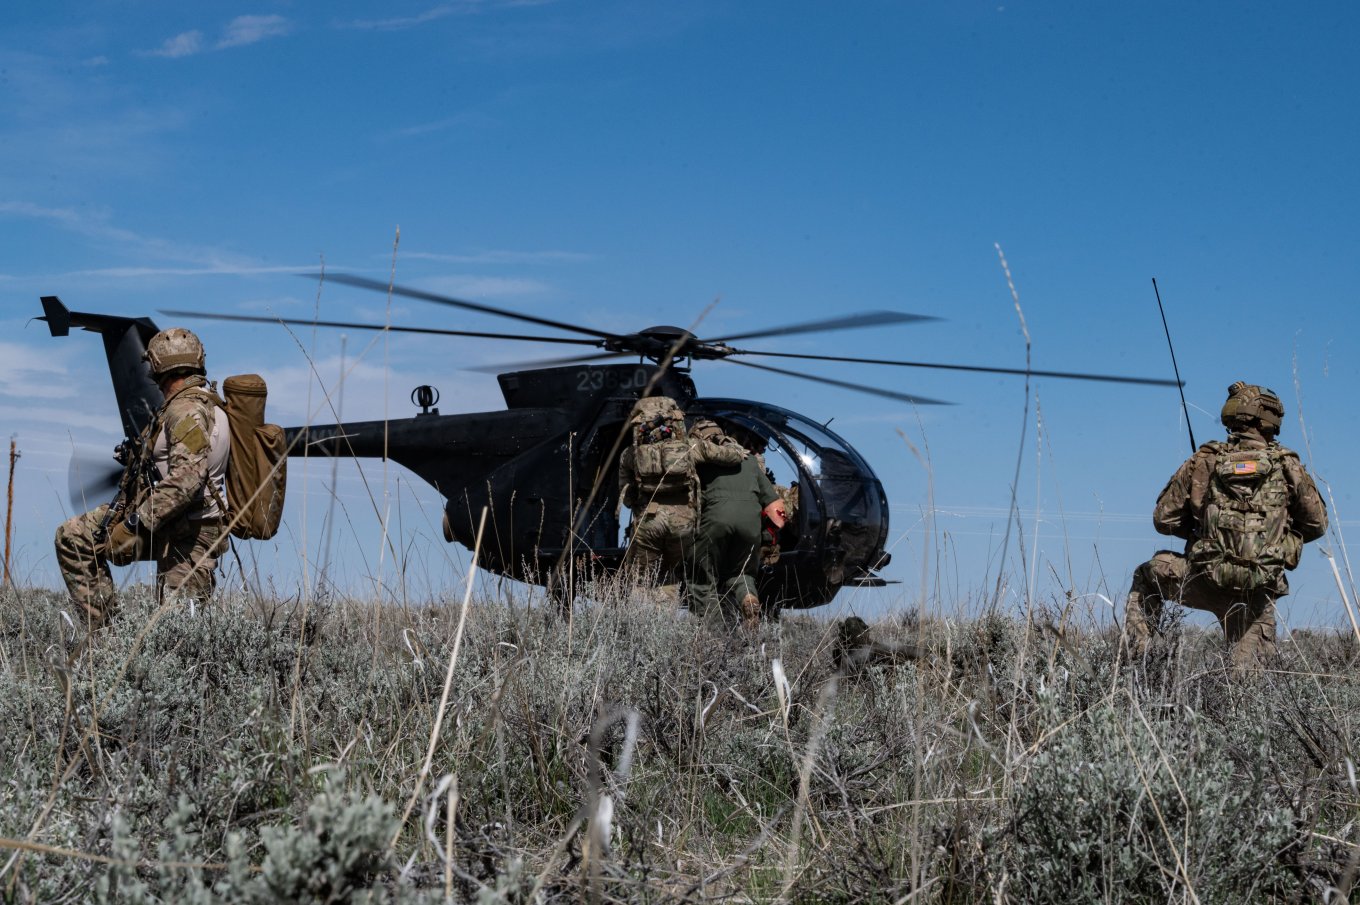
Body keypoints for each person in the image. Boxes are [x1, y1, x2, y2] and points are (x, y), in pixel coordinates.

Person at [1124, 381, 1328, 670]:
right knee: (1247, 693)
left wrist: (1202, 527)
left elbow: (1163, 519)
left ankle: (1141, 665)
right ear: (1271, 420)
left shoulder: (1206, 459)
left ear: (1233, 415)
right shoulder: (1287, 464)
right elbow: (1317, 524)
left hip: (1202, 579)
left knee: (1147, 575)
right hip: (1257, 591)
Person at [55, 327, 231, 628]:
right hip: (168, 521)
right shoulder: (191, 405)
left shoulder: (187, 410)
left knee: (178, 635)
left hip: (190, 533)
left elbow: (186, 481)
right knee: (75, 536)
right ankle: (105, 636)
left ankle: (124, 647)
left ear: (157, 365)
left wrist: (137, 523)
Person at [617, 396, 744, 586]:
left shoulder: (630, 454)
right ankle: (665, 614)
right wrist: (725, 441)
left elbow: (627, 498)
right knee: (670, 578)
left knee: (641, 581)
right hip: (683, 524)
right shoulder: (691, 447)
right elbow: (735, 456)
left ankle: (641, 614)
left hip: (648, 521)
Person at [689, 419, 781, 629]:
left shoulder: (699, 461)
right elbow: (774, 504)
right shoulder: (748, 460)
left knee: (703, 579)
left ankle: (712, 634)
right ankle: (748, 598)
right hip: (749, 526)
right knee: (741, 574)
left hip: (715, 522)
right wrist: (772, 536)